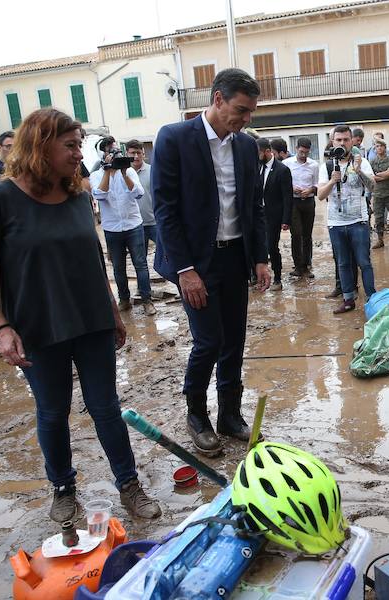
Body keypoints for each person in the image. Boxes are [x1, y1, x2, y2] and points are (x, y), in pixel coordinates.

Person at [0, 108, 161, 522]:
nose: (78, 154)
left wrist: (114, 312)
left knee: (105, 406)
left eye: (80, 146)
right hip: (38, 326)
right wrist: (1, 327)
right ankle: (62, 487)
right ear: (40, 146)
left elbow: (93, 257)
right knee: (53, 412)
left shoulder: (78, 194)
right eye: (70, 146)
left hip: (91, 321)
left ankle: (128, 484)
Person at [152, 68, 271, 456]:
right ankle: (197, 416)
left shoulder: (245, 146)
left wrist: (261, 258)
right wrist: (185, 270)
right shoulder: (175, 139)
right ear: (217, 99)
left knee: (234, 339)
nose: (246, 119)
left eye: (251, 111)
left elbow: (254, 206)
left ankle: (230, 415)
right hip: (197, 264)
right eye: (241, 109)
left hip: (235, 258)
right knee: (208, 341)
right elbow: (165, 210)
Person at [90, 137, 156, 316]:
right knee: (118, 267)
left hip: (133, 225)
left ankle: (147, 300)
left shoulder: (129, 172)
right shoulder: (96, 175)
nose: (113, 154)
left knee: (140, 264)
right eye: (109, 151)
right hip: (112, 229)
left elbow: (138, 193)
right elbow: (99, 195)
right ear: (102, 154)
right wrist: (108, 172)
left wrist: (124, 174)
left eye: (115, 150)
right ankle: (124, 300)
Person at [318, 124, 376, 314]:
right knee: (342, 263)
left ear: (352, 141)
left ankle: (372, 299)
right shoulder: (326, 166)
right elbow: (320, 195)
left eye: (345, 139)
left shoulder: (362, 162)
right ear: (333, 142)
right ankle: (348, 299)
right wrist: (332, 181)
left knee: (364, 262)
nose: (342, 143)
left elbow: (372, 187)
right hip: (336, 223)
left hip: (359, 221)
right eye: (338, 140)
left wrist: (358, 170)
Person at [257, 137, 293, 291]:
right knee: (258, 246)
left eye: (258, 153)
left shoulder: (282, 169)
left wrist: (286, 219)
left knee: (271, 246)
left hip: (273, 215)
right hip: (258, 214)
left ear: (267, 151)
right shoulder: (256, 167)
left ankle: (277, 279)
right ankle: (257, 278)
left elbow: (287, 196)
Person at [283, 137, 319, 279]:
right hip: (294, 202)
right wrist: (292, 188)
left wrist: (310, 190)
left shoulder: (314, 165)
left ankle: (306, 265)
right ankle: (298, 266)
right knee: (296, 234)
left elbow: (317, 184)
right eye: (301, 151)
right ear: (297, 148)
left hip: (309, 201)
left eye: (306, 152)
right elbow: (283, 184)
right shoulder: (287, 164)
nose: (303, 155)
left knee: (307, 234)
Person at [126, 140, 157, 250]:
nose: (136, 156)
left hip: (154, 221)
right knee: (140, 260)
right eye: (132, 153)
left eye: (138, 153)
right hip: (135, 225)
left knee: (166, 252)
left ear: (143, 154)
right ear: (127, 154)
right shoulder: (123, 174)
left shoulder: (153, 170)